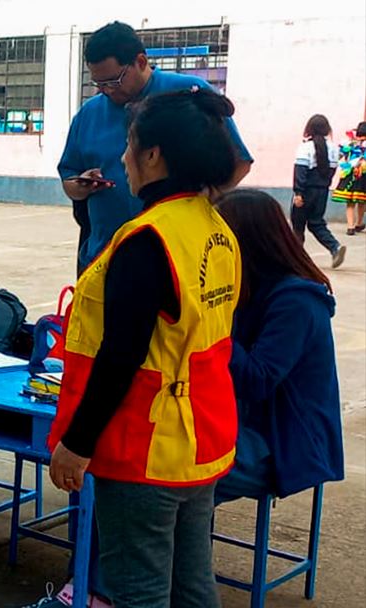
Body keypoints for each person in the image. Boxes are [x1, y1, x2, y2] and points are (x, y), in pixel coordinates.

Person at [48, 88, 243, 608]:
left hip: (146, 444)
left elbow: (121, 356)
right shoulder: (215, 227)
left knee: (139, 592)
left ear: (153, 155)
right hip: (201, 435)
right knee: (192, 585)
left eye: (130, 144)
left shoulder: (147, 239)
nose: (122, 158)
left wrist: (77, 441)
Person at [58, 21, 252, 275]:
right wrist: (81, 185)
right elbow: (68, 177)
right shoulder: (89, 114)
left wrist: (201, 205)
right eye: (99, 84)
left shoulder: (188, 95)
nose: (105, 91)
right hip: (104, 255)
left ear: (140, 61)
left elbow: (239, 161)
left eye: (114, 81)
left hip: (178, 255)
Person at [214, 189, 344, 504]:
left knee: (168, 479)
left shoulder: (296, 301)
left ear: (245, 243)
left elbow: (256, 380)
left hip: (284, 441)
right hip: (245, 423)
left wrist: (213, 321)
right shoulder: (251, 287)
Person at [292, 114, 345, 268]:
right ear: (327, 129)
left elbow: (300, 171)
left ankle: (296, 258)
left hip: (306, 190)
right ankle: (335, 247)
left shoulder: (305, 147)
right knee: (316, 223)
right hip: (322, 191)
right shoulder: (334, 148)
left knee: (298, 225)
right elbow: (332, 171)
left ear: (309, 128)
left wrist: (298, 193)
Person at [333, 121, 366, 235]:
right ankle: (359, 223)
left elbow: (339, 155)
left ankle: (350, 226)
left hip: (349, 173)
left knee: (350, 202)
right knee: (362, 200)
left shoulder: (350, 143)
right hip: (363, 174)